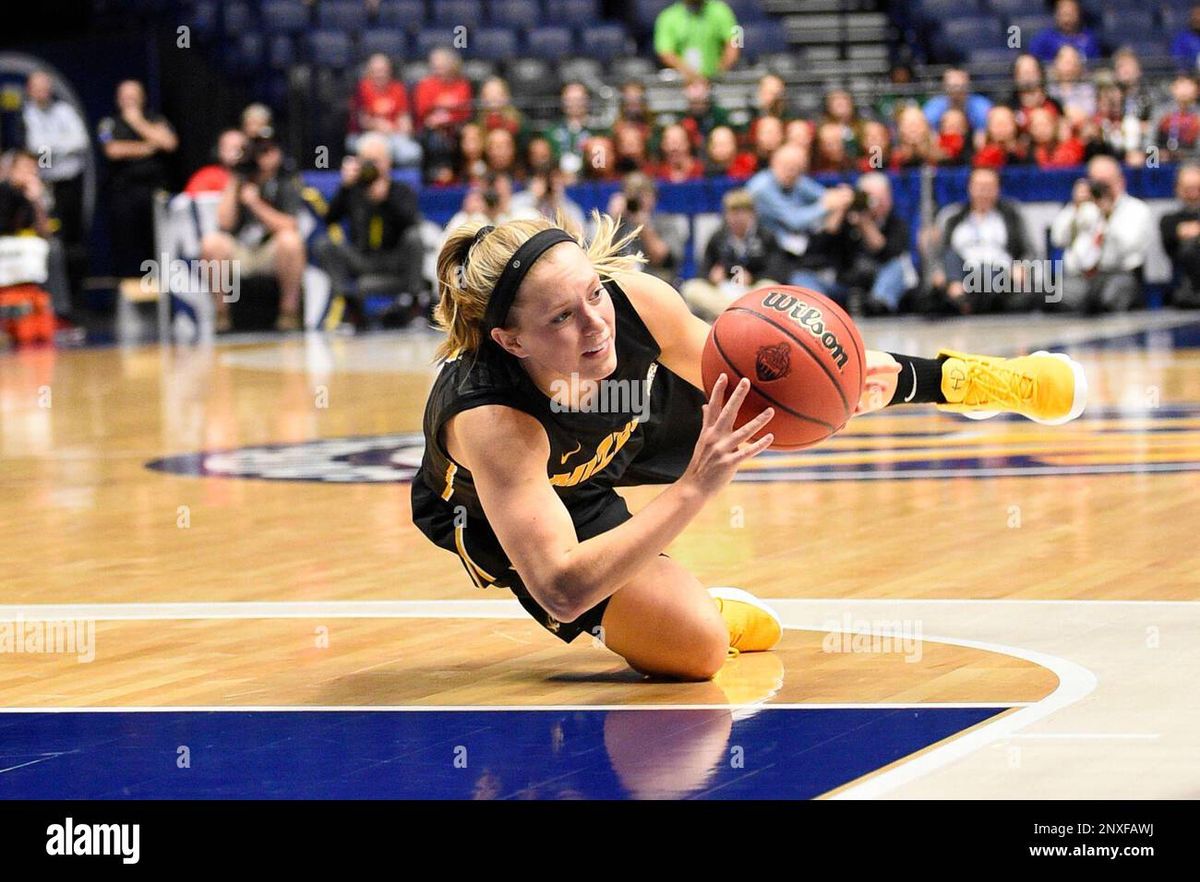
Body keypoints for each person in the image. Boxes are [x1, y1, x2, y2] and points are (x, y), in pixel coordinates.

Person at [410, 215, 1086, 678]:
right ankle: (694, 609)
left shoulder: (636, 305)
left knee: (798, 379)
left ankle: (991, 380)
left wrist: (843, 382)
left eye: (594, 292)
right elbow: (559, 587)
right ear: (511, 340)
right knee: (698, 652)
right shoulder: (493, 423)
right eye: (563, 316)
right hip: (515, 510)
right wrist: (696, 488)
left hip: (616, 423)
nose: (597, 322)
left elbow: (751, 371)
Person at [314, 132, 424, 325]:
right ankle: (351, 305)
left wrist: (386, 200)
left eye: (376, 161)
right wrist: (345, 187)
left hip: (395, 261)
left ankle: (415, 306)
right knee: (324, 245)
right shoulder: (353, 190)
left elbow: (412, 222)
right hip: (362, 258)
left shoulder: (400, 190)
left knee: (414, 237)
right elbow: (330, 219)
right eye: (366, 161)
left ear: (388, 162)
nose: (372, 166)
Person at [200, 137, 306, 332]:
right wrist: (234, 179)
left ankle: (288, 314)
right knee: (211, 242)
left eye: (268, 151)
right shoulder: (240, 179)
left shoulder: (286, 180)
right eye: (258, 152)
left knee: (291, 241)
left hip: (270, 251)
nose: (263, 157)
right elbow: (223, 222)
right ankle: (221, 314)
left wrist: (255, 204)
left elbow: (290, 225)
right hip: (241, 251)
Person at [923, 166, 1033, 315]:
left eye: (989, 188)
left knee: (987, 275)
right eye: (980, 187)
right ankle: (960, 296)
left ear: (997, 190)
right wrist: (938, 271)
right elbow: (939, 254)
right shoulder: (951, 217)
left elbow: (1029, 251)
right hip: (961, 274)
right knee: (950, 258)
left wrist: (1022, 267)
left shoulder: (1011, 216)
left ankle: (964, 302)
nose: (984, 193)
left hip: (999, 274)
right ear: (970, 188)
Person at [1049, 155, 1151, 313]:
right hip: (1081, 277)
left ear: (1120, 182)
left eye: (1106, 183)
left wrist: (1108, 216)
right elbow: (1058, 238)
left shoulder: (1136, 209)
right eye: (1095, 182)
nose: (1100, 189)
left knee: (1107, 298)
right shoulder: (1082, 208)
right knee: (1055, 295)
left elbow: (1129, 247)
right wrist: (1075, 208)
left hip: (1117, 275)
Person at [746, 143, 853, 293]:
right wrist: (826, 205)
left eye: (798, 168)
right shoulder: (762, 187)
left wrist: (840, 196)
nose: (792, 172)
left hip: (797, 253)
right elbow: (794, 221)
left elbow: (824, 195)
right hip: (766, 256)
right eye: (788, 167)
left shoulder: (795, 179)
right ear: (774, 163)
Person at [96, 79, 177, 277]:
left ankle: (161, 289)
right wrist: (149, 146)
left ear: (143, 98)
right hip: (124, 194)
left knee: (158, 244)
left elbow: (169, 143)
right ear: (117, 99)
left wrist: (137, 122)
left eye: (134, 96)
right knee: (127, 246)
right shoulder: (109, 124)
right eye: (125, 96)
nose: (129, 100)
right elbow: (113, 150)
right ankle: (129, 288)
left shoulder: (155, 119)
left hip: (154, 193)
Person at [680, 188, 787, 321]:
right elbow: (702, 270)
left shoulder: (766, 237)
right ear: (726, 215)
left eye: (742, 212)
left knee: (769, 287)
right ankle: (738, 314)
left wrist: (753, 278)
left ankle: (731, 315)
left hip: (752, 291)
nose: (737, 218)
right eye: (733, 213)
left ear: (752, 214)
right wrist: (711, 277)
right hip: (722, 292)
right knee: (691, 288)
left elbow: (777, 272)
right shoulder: (718, 237)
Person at [818, 172, 915, 315]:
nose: (878, 203)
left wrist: (865, 223)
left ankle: (877, 305)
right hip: (846, 280)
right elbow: (823, 247)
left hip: (880, 279)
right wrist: (840, 210)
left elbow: (887, 253)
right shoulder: (846, 221)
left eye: (883, 198)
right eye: (872, 198)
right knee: (804, 276)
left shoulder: (897, 224)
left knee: (897, 267)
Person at [21, 71, 88, 263]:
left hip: (69, 183)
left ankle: (74, 288)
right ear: (29, 90)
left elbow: (80, 142)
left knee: (73, 235)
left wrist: (49, 147)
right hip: (42, 185)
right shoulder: (24, 115)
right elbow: (35, 149)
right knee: (46, 234)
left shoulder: (64, 111)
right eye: (37, 88)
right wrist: (62, 147)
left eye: (45, 88)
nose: (42, 92)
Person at [607, 173, 688, 285]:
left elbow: (661, 259)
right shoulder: (618, 224)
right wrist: (612, 220)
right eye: (632, 194)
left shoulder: (665, 222)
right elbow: (600, 256)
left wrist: (643, 225)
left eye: (642, 193)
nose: (638, 200)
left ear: (653, 196)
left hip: (656, 279)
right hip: (622, 280)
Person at [346, 53, 422, 169]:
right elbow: (363, 121)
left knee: (413, 153)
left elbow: (404, 117)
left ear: (390, 71)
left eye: (383, 70)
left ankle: (403, 185)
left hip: (394, 134)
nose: (380, 74)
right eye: (376, 71)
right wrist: (380, 126)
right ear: (369, 72)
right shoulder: (361, 89)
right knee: (376, 152)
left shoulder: (398, 88)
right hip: (367, 134)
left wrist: (404, 129)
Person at [654, 0, 739, 82]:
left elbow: (735, 41)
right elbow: (664, 52)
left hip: (716, 80)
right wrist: (691, 75)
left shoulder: (722, 10)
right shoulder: (667, 17)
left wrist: (720, 71)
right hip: (682, 82)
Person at [1159, 163, 1200, 308]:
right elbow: (1173, 235)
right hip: (1185, 293)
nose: (1194, 195)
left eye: (1197, 189)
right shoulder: (1169, 220)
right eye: (1188, 189)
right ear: (1178, 189)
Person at [923, 68, 992, 134]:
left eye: (961, 87)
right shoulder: (934, 106)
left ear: (967, 87)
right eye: (952, 87)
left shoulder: (981, 106)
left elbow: (989, 129)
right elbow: (925, 127)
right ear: (944, 87)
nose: (956, 92)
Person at [1028, 0, 1100, 64]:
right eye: (1064, 13)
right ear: (1056, 14)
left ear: (1078, 13)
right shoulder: (1042, 40)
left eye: (1071, 13)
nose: (1067, 19)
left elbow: (1097, 65)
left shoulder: (1090, 39)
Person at [184, 129, 247, 195]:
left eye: (242, 148)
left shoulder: (253, 176)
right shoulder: (207, 176)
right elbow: (192, 200)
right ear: (218, 150)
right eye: (229, 148)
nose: (236, 153)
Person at [1154, 73, 1200, 163]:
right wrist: (1153, 161)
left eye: (1189, 85)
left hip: (1193, 162)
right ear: (1173, 88)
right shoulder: (1160, 112)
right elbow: (1150, 139)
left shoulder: (1198, 115)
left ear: (1196, 90)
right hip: (1162, 159)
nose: (1184, 90)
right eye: (1181, 84)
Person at [1171, 3, 1200, 73]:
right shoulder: (1182, 39)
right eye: (1194, 15)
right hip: (1190, 77)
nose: (1197, 18)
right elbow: (1177, 61)